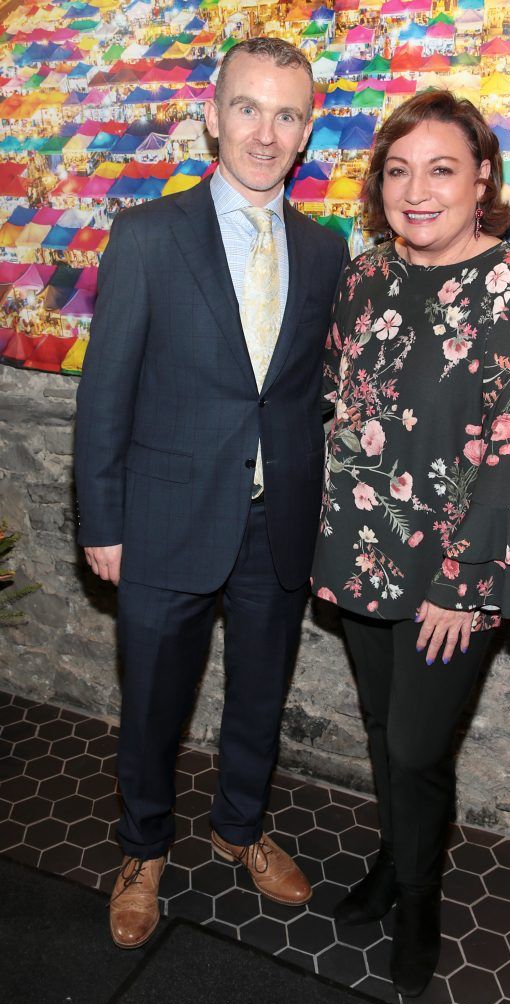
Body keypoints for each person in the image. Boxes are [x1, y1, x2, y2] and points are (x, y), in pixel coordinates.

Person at [74, 37, 348, 949]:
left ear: (305, 131)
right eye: (247, 107)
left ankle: (240, 828)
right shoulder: (148, 236)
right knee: (153, 699)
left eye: (286, 114)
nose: (264, 132)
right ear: (211, 113)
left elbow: (305, 392)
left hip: (276, 525)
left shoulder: (325, 251)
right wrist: (102, 521)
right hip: (161, 520)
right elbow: (105, 391)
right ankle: (143, 848)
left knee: (259, 696)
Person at [311, 90, 510, 998]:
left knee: (417, 749)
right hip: (362, 550)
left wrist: (463, 583)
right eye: (398, 170)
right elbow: (341, 404)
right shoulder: (366, 274)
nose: (416, 190)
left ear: (481, 178)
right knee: (382, 728)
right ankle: (393, 856)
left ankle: (420, 900)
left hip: (451, 572)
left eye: (441, 169)